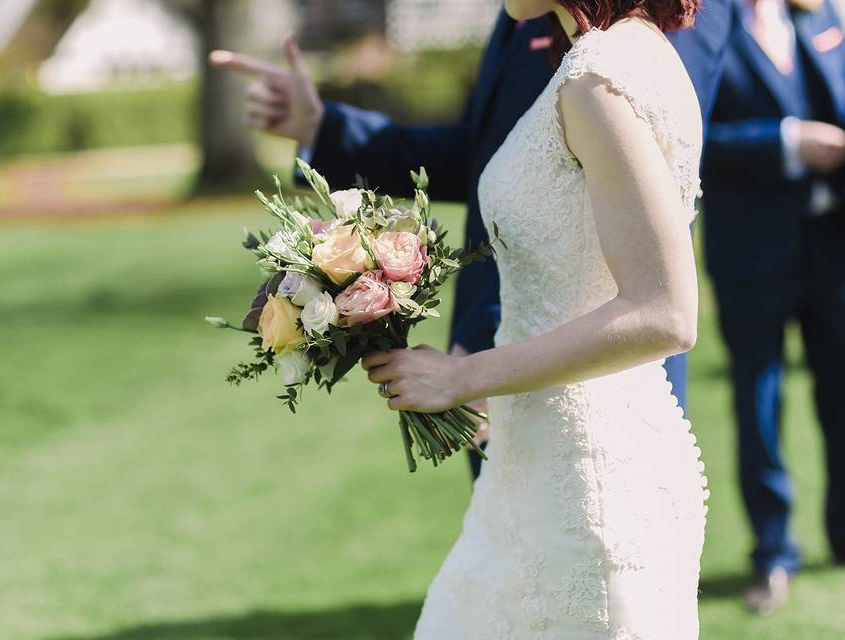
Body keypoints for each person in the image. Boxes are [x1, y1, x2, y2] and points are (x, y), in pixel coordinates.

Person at [210, 0, 733, 479]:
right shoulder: (572, 38)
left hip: (579, 417)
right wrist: (324, 128)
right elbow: (501, 157)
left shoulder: (610, 68)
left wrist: (469, 370)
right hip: (519, 394)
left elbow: (644, 274)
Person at [356, 0, 709, 635]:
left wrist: (464, 379)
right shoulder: (622, 54)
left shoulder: (599, 80)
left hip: (586, 485)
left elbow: (666, 312)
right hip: (536, 462)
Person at [702, 0, 845, 615]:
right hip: (752, 248)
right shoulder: (701, 19)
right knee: (761, 402)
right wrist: (785, 141)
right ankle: (772, 553)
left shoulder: (816, 7)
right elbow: (688, 129)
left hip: (840, 242)